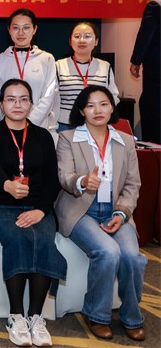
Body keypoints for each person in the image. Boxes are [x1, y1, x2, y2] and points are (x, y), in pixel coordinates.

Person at [0, 79, 67, 347]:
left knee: (43, 239)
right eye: (11, 99)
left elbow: (52, 179)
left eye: (23, 99)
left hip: (38, 205)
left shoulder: (43, 136)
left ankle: (35, 317)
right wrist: (7, 184)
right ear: (1, 104)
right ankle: (16, 315)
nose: (17, 104)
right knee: (17, 237)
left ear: (31, 104)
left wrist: (41, 209)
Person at [56, 86, 146, 341]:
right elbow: (64, 176)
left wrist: (121, 214)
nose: (98, 110)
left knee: (132, 256)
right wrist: (84, 181)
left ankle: (131, 316)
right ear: (81, 111)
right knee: (108, 252)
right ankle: (96, 315)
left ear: (112, 108)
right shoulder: (68, 138)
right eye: (90, 105)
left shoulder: (125, 141)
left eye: (104, 104)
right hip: (81, 209)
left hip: (115, 209)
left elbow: (132, 184)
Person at [0, 8, 58, 131]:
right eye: (16, 28)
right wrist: (10, 123)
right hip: (6, 129)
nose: (20, 33)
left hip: (38, 128)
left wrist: (28, 123)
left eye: (26, 28)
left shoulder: (47, 59)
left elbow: (48, 96)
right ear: (9, 30)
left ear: (34, 29)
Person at [56, 22, 119, 131]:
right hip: (66, 124)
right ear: (70, 41)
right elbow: (53, 98)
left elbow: (113, 96)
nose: (82, 40)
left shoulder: (105, 66)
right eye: (77, 36)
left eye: (87, 36)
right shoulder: (58, 65)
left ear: (96, 41)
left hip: (96, 124)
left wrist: (101, 112)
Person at [129, 0, 161, 143]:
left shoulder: (155, 6)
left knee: (152, 108)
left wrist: (136, 60)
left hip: (157, 74)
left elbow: (146, 35)